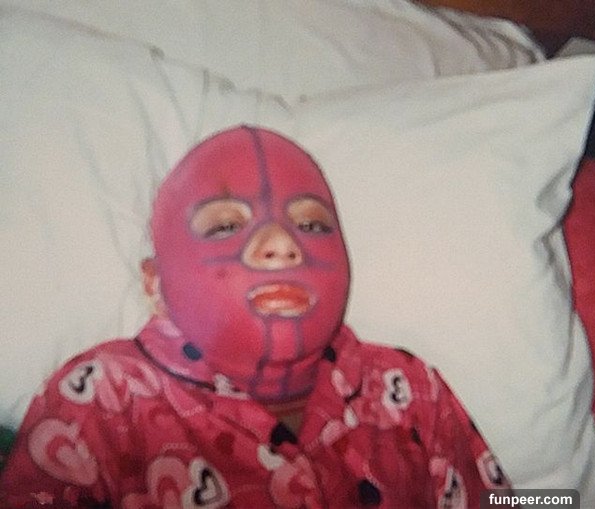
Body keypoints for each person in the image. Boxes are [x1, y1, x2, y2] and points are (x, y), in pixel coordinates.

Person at [0, 126, 511, 508]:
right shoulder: (101, 401)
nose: (282, 244)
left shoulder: (410, 390)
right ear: (155, 284)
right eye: (225, 227)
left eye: (312, 224)